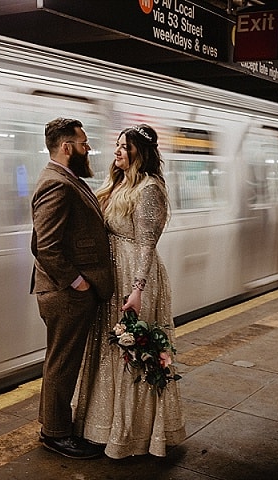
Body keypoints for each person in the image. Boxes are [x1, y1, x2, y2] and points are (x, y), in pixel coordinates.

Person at [73, 124, 186, 459]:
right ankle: (101, 426)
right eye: (117, 144)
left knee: (131, 354)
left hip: (135, 279)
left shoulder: (149, 188)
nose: (117, 151)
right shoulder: (119, 182)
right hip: (114, 278)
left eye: (125, 147)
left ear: (141, 153)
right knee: (109, 351)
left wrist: (137, 290)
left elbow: (146, 246)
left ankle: (133, 434)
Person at [30, 117, 114, 459]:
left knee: (59, 362)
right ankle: (56, 434)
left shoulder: (65, 178)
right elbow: (46, 246)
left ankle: (53, 425)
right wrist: (77, 282)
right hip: (65, 293)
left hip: (65, 292)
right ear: (67, 147)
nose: (88, 148)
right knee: (62, 364)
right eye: (83, 143)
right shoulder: (57, 184)